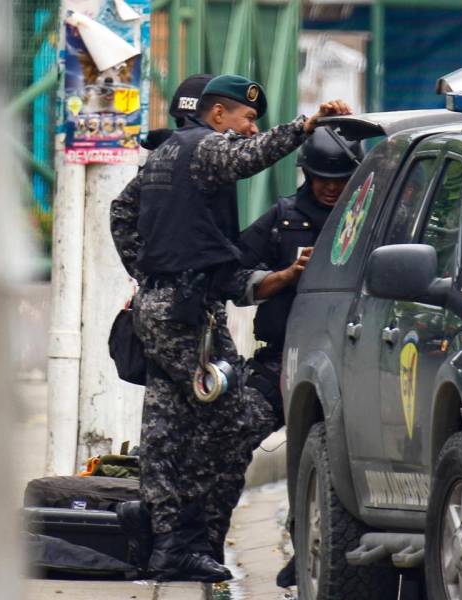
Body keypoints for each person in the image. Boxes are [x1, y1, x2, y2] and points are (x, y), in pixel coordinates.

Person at [109, 74, 352, 582]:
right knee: (226, 421)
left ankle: (163, 541)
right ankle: (188, 542)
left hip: (163, 303)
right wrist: (307, 125)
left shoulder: (166, 154)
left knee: (167, 425)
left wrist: (148, 272)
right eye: (246, 118)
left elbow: (121, 211)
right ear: (218, 116)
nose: (249, 129)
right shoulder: (204, 147)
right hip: (184, 310)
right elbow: (251, 156)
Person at [236, 127, 363, 588]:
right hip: (282, 360)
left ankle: (309, 550)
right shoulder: (282, 218)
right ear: (306, 174)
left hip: (350, 361)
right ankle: (201, 542)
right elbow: (235, 270)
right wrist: (283, 276)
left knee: (330, 462)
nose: (330, 187)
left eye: (340, 178)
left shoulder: (370, 217)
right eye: (321, 178)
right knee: (231, 435)